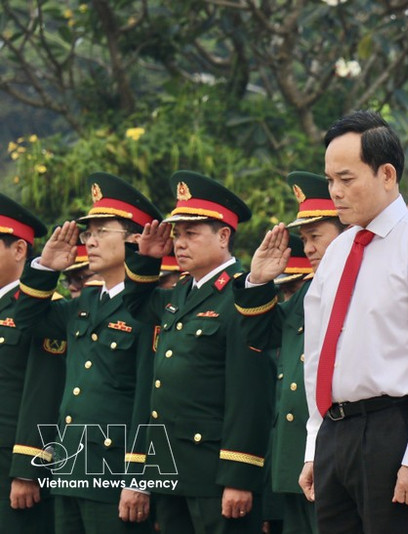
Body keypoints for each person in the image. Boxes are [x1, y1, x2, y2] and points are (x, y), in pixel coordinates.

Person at [298, 110, 408, 534]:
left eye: (347, 179)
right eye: (330, 179)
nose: (335, 192)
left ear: (387, 174)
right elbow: (318, 355)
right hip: (334, 433)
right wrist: (314, 444)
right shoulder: (336, 253)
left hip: (391, 430)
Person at [123, 170, 272, 534]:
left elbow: (249, 394)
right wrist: (145, 258)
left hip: (215, 474)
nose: (179, 243)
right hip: (170, 468)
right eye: (177, 234)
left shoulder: (241, 296)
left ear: (223, 236)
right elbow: (136, 306)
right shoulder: (181, 292)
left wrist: (239, 475)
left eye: (191, 233)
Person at [13, 173, 161, 534]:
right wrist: (46, 268)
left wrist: (138, 476)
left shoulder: (149, 307)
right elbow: (24, 321)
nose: (89, 242)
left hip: (116, 471)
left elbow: (148, 398)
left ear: (134, 240)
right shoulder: (84, 303)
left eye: (100, 232)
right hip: (71, 466)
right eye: (87, 234)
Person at [234, 171, 346, 534]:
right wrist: (259, 282)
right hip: (295, 456)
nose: (308, 248)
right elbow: (261, 335)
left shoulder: (365, 285)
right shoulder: (307, 292)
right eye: (304, 238)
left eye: (316, 237)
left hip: (339, 456)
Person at [0, 193, 63, 534]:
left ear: (19, 250)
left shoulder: (45, 310)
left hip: (11, 463)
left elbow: (44, 390)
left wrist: (28, 467)